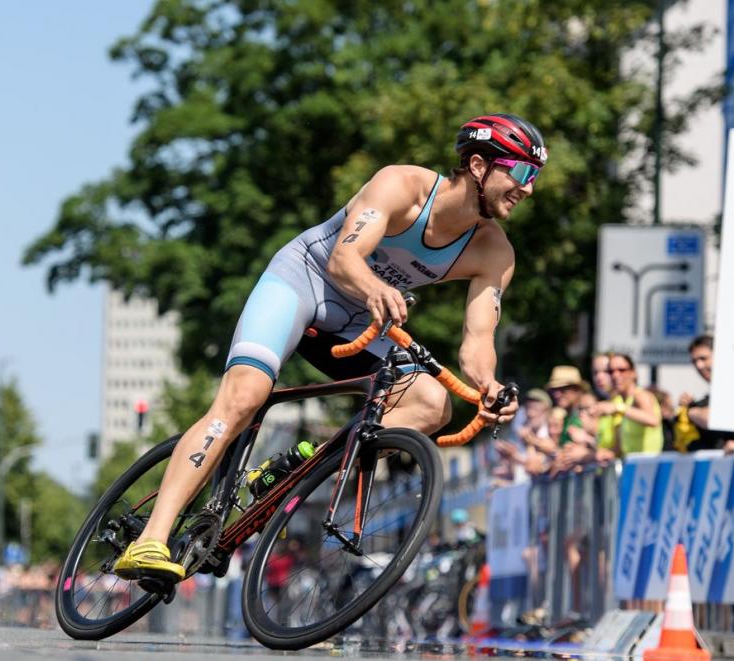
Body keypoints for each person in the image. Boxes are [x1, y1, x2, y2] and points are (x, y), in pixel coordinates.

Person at [114, 113, 545, 586]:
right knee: (243, 397)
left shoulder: (494, 251)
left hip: (359, 320)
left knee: (432, 402)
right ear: (479, 165)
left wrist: (488, 383)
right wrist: (374, 287)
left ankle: (302, 464)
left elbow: (478, 339)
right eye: (521, 172)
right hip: (303, 284)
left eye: (534, 177)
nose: (528, 189)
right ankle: (149, 541)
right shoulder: (401, 186)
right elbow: (343, 258)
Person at [592, 353, 663, 458]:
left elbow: (653, 420)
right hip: (632, 468)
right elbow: (621, 449)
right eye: (611, 371)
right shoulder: (623, 402)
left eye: (621, 370)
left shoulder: (640, 395)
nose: (616, 375)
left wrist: (617, 408)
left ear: (633, 373)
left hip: (648, 468)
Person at [544, 365, 586, 446]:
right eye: (554, 389)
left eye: (563, 389)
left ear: (577, 389)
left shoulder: (587, 415)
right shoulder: (566, 417)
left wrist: (552, 451)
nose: (556, 394)